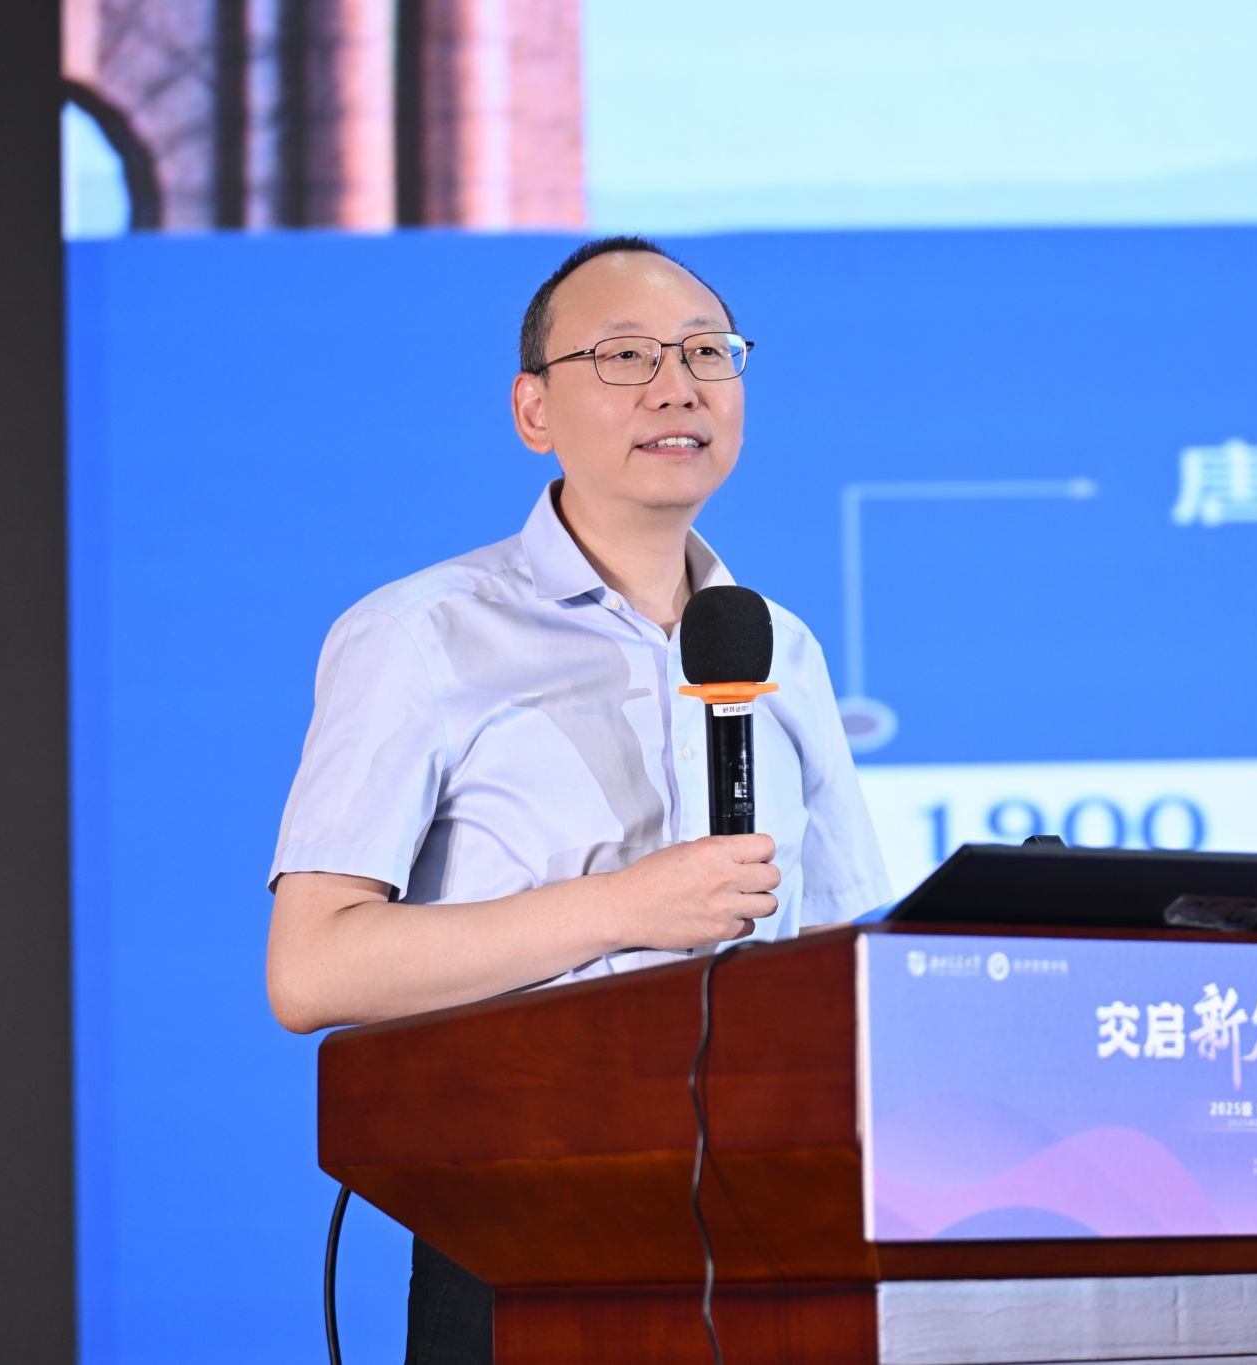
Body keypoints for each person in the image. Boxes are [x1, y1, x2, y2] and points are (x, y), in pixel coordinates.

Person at [264, 236, 889, 1364]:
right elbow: (312, 970)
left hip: (765, 1225)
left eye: (707, 352)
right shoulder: (419, 635)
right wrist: (622, 908)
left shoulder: (777, 646)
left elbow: (838, 953)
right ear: (533, 409)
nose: (677, 385)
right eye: (625, 355)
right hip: (520, 1221)